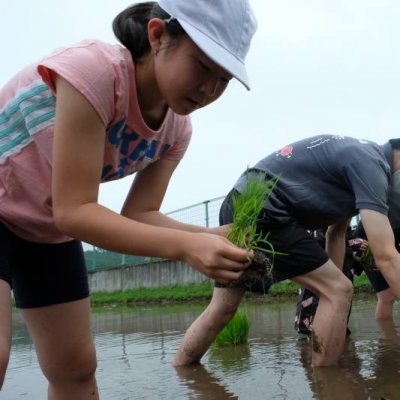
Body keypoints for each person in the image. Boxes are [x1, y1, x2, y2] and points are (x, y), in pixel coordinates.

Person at [0, 1, 257, 397]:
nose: (209, 89)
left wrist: (209, 236)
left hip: (46, 228)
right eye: (203, 67)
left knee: (76, 370)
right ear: (157, 35)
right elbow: (75, 211)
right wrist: (188, 247)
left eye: (223, 80)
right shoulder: (96, 72)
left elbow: (141, 214)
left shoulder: (177, 131)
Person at [173, 134, 400, 368]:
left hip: (241, 202)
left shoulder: (359, 158)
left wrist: (330, 285)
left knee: (222, 308)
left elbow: (336, 234)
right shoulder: (373, 165)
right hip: (268, 208)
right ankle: (328, 385)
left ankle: (182, 370)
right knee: (338, 291)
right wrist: (334, 289)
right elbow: (386, 256)